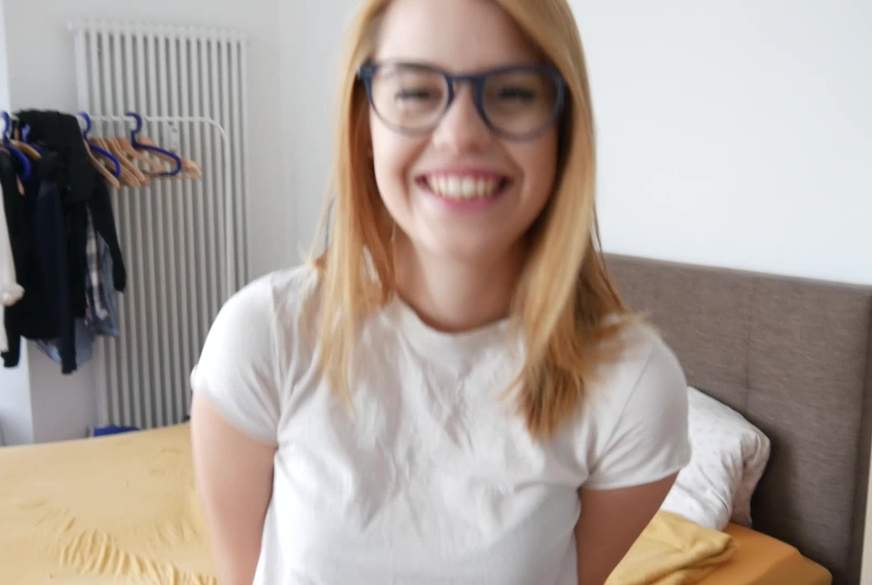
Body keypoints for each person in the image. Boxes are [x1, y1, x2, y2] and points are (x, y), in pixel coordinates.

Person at [190, 0, 691, 584]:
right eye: (416, 92)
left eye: (512, 93)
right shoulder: (266, 336)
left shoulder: (632, 389)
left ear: (563, 128)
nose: (461, 135)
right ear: (364, 126)